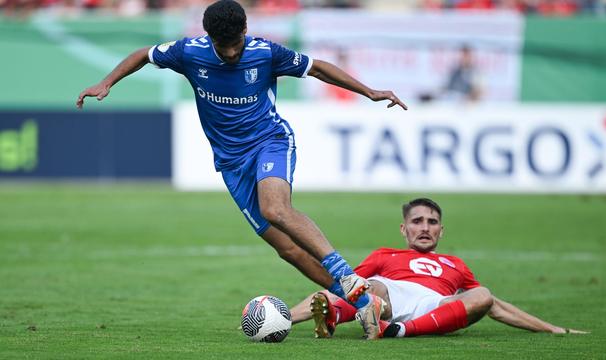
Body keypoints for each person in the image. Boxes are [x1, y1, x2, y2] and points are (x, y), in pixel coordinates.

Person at [76, 0, 406, 340]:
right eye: (224, 46)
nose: (232, 53)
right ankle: (364, 302)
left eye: (236, 44)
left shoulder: (266, 53)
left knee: (276, 209)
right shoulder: (188, 52)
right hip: (231, 163)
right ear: (209, 38)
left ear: (245, 31)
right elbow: (144, 54)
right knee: (287, 248)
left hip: (270, 141)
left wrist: (369, 92)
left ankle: (347, 277)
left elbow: (317, 67)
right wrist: (107, 82)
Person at [290, 198, 586, 339]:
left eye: (432, 222)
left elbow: (494, 307)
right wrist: (287, 318)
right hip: (389, 297)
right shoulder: (385, 255)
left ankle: (396, 330)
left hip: (434, 306)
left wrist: (551, 328)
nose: (425, 228)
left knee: (482, 294)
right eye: (417, 221)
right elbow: (343, 285)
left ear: (441, 231)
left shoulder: (455, 265)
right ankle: (336, 315)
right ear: (404, 229)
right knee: (370, 286)